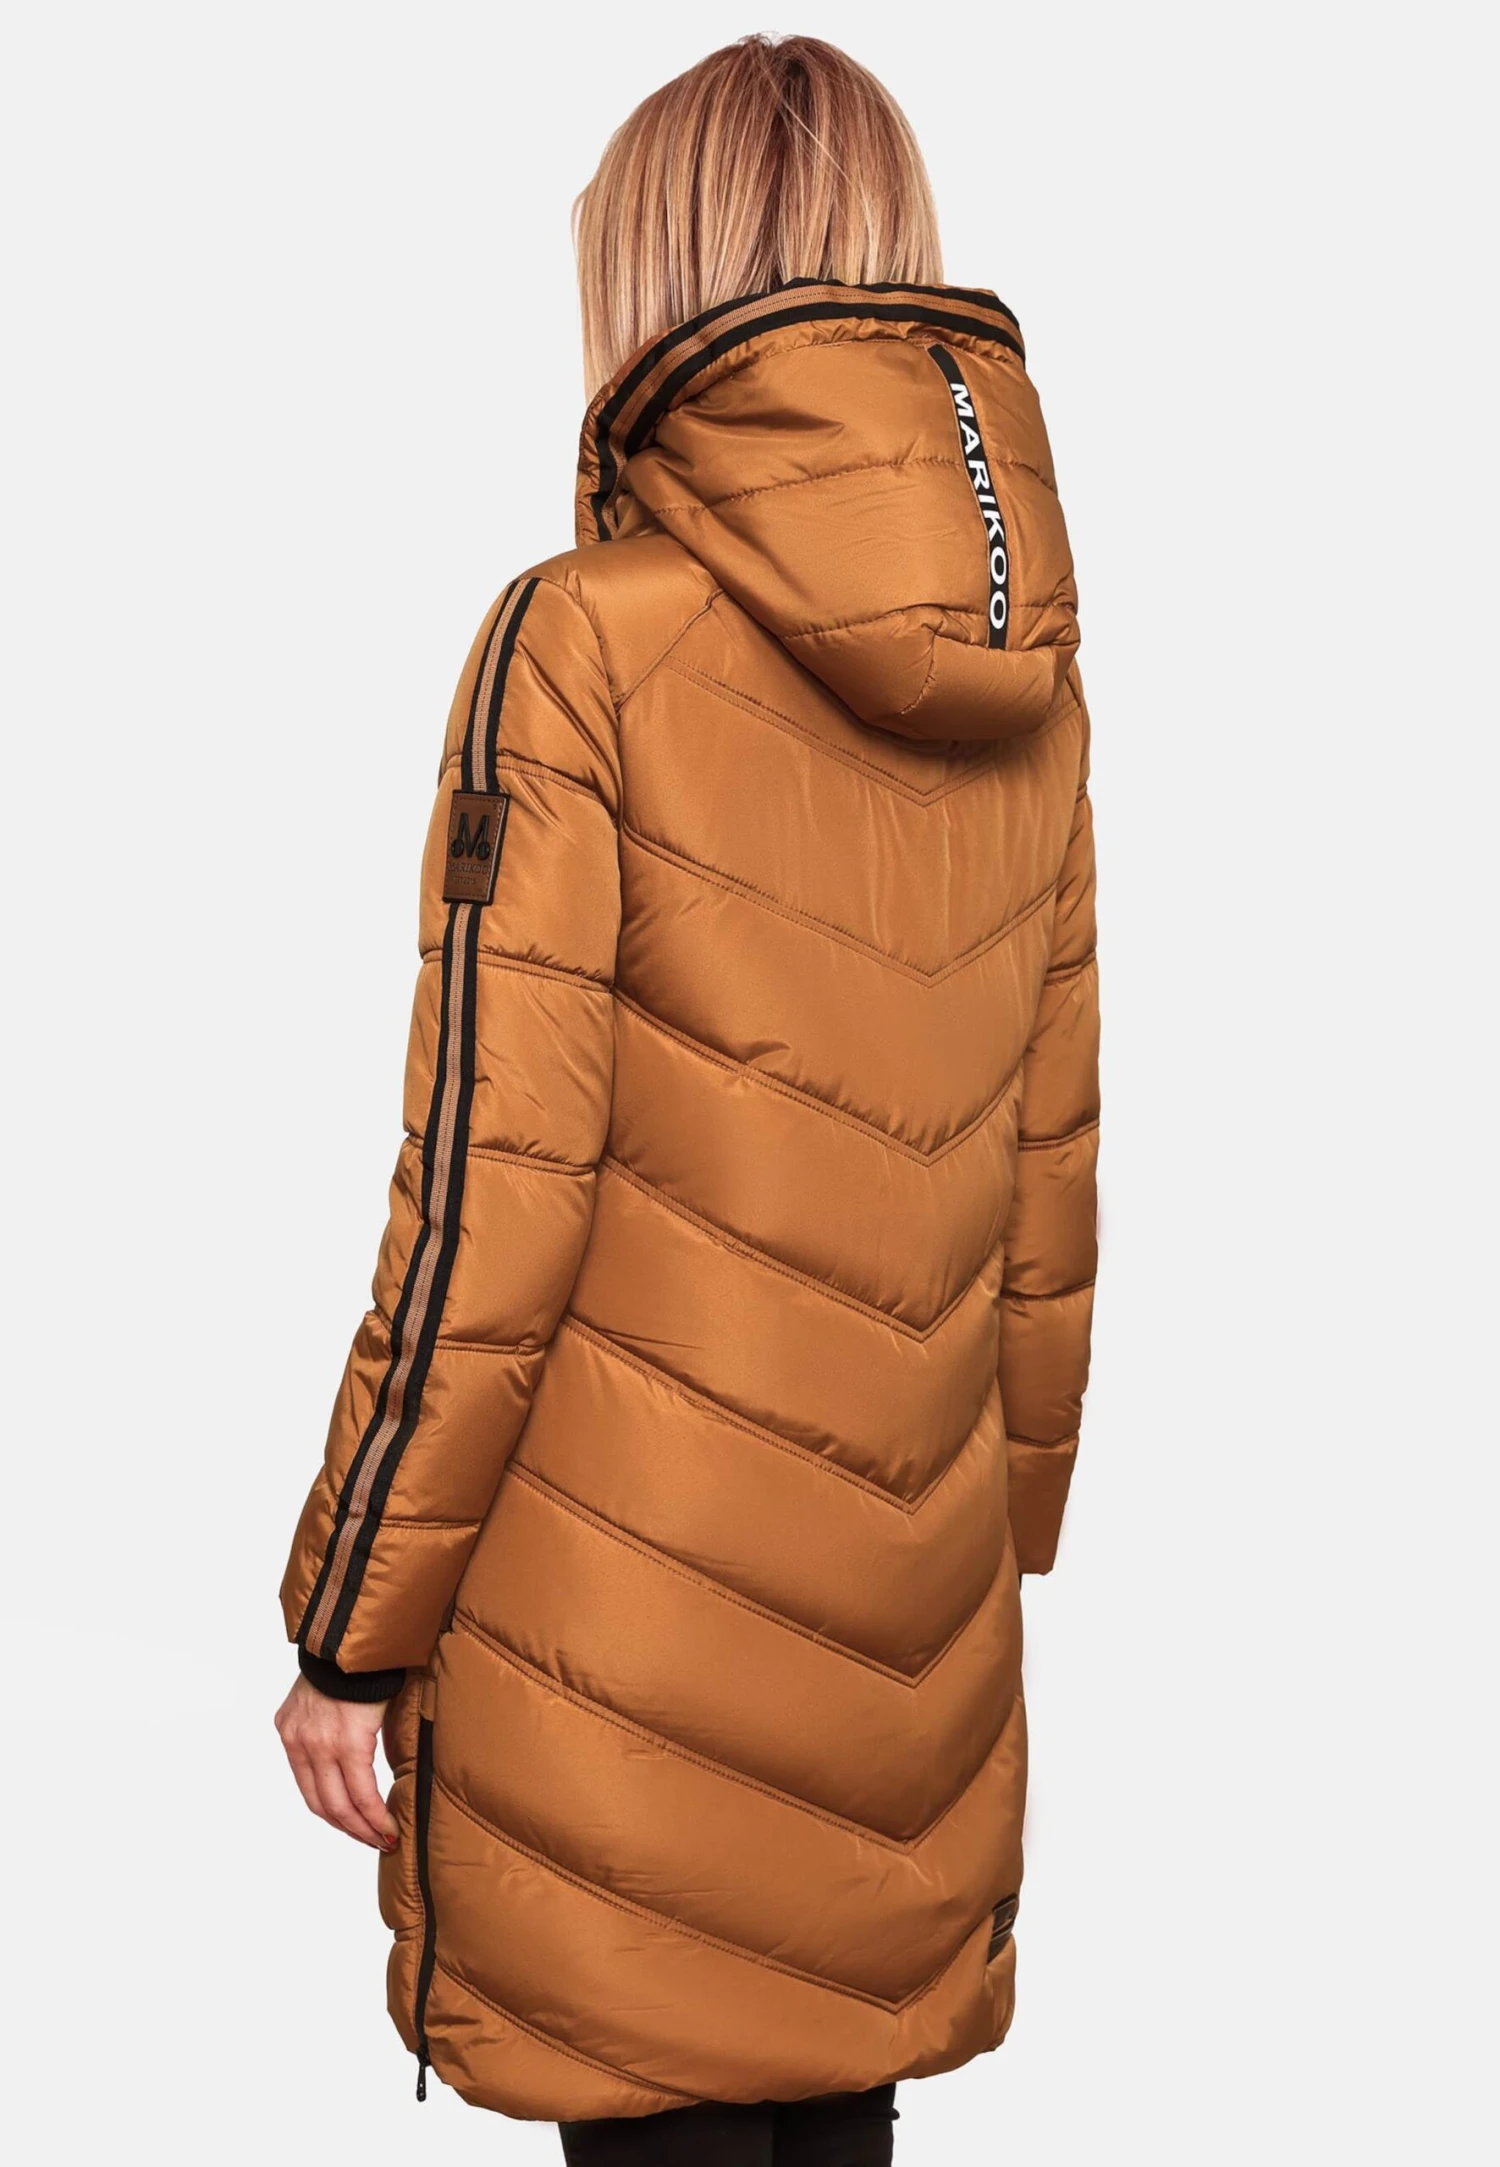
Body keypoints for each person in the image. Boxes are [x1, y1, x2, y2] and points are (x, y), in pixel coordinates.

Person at [274, 32, 1098, 2166]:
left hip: (614, 1653)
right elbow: (1049, 1176)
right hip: (907, 1645)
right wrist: (991, 1552)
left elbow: (490, 1188)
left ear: (642, 272)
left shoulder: (578, 643)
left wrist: (348, 1621)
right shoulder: (1029, 680)